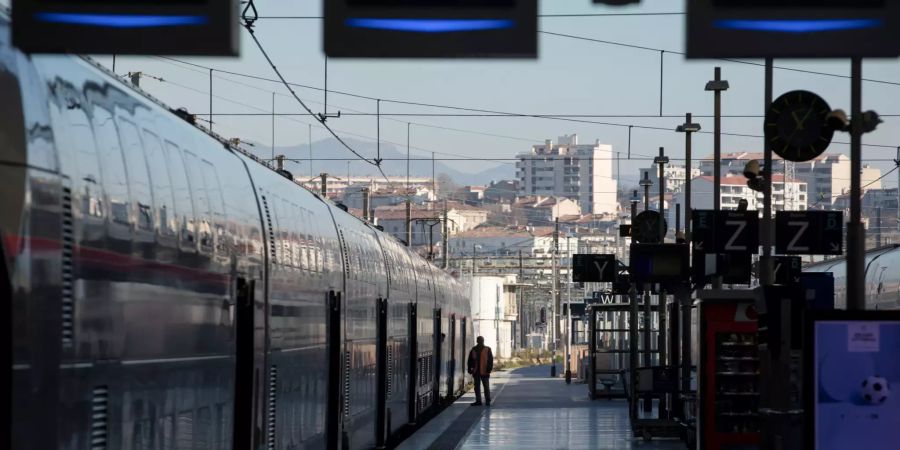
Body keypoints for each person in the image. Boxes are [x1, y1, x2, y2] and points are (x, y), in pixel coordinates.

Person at [467, 336, 494, 406]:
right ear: (477, 341)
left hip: (485, 371)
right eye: (479, 340)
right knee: (477, 387)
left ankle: (487, 400)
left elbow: (490, 360)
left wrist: (489, 369)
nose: (480, 342)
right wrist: (469, 368)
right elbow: (470, 360)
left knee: (486, 387)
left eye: (481, 340)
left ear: (483, 341)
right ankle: (478, 401)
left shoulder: (487, 349)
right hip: (476, 372)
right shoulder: (473, 349)